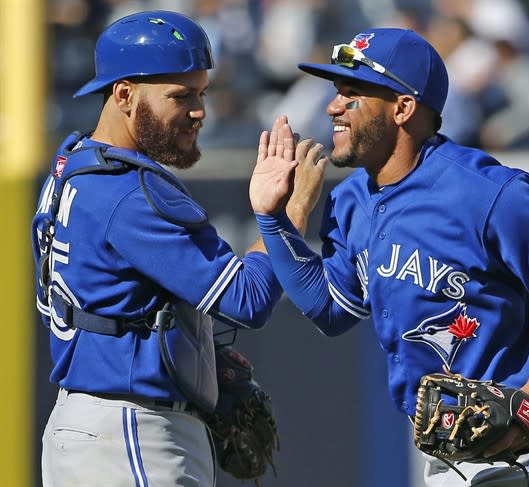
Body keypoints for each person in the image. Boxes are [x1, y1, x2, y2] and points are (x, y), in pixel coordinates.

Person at [249, 28, 529, 486]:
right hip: (447, 443)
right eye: (337, 91)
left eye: (353, 93)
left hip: (523, 444)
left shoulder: (482, 191)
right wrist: (274, 220)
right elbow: (331, 309)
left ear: (403, 108)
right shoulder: (351, 202)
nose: (332, 106)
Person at [32, 10, 324, 487]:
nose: (199, 111)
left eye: (202, 93)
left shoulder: (74, 164)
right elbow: (246, 300)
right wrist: (287, 215)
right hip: (131, 432)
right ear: (124, 94)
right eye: (180, 96)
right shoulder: (131, 192)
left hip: (86, 426)